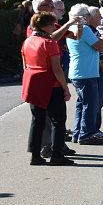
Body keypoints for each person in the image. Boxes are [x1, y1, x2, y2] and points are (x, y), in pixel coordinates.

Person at [66, 4, 103, 145]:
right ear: (82, 17)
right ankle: (86, 134)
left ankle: (78, 132)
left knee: (82, 104)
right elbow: (99, 46)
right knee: (90, 104)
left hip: (78, 71)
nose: (89, 17)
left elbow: (99, 42)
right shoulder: (85, 29)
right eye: (87, 14)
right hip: (86, 72)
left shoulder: (71, 28)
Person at [22, 12, 75, 166]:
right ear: (44, 26)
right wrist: (66, 87)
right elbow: (57, 69)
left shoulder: (27, 41)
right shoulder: (49, 43)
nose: (54, 27)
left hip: (34, 85)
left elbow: (25, 65)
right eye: (52, 24)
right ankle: (57, 155)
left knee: (37, 120)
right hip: (52, 85)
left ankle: (35, 155)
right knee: (58, 121)